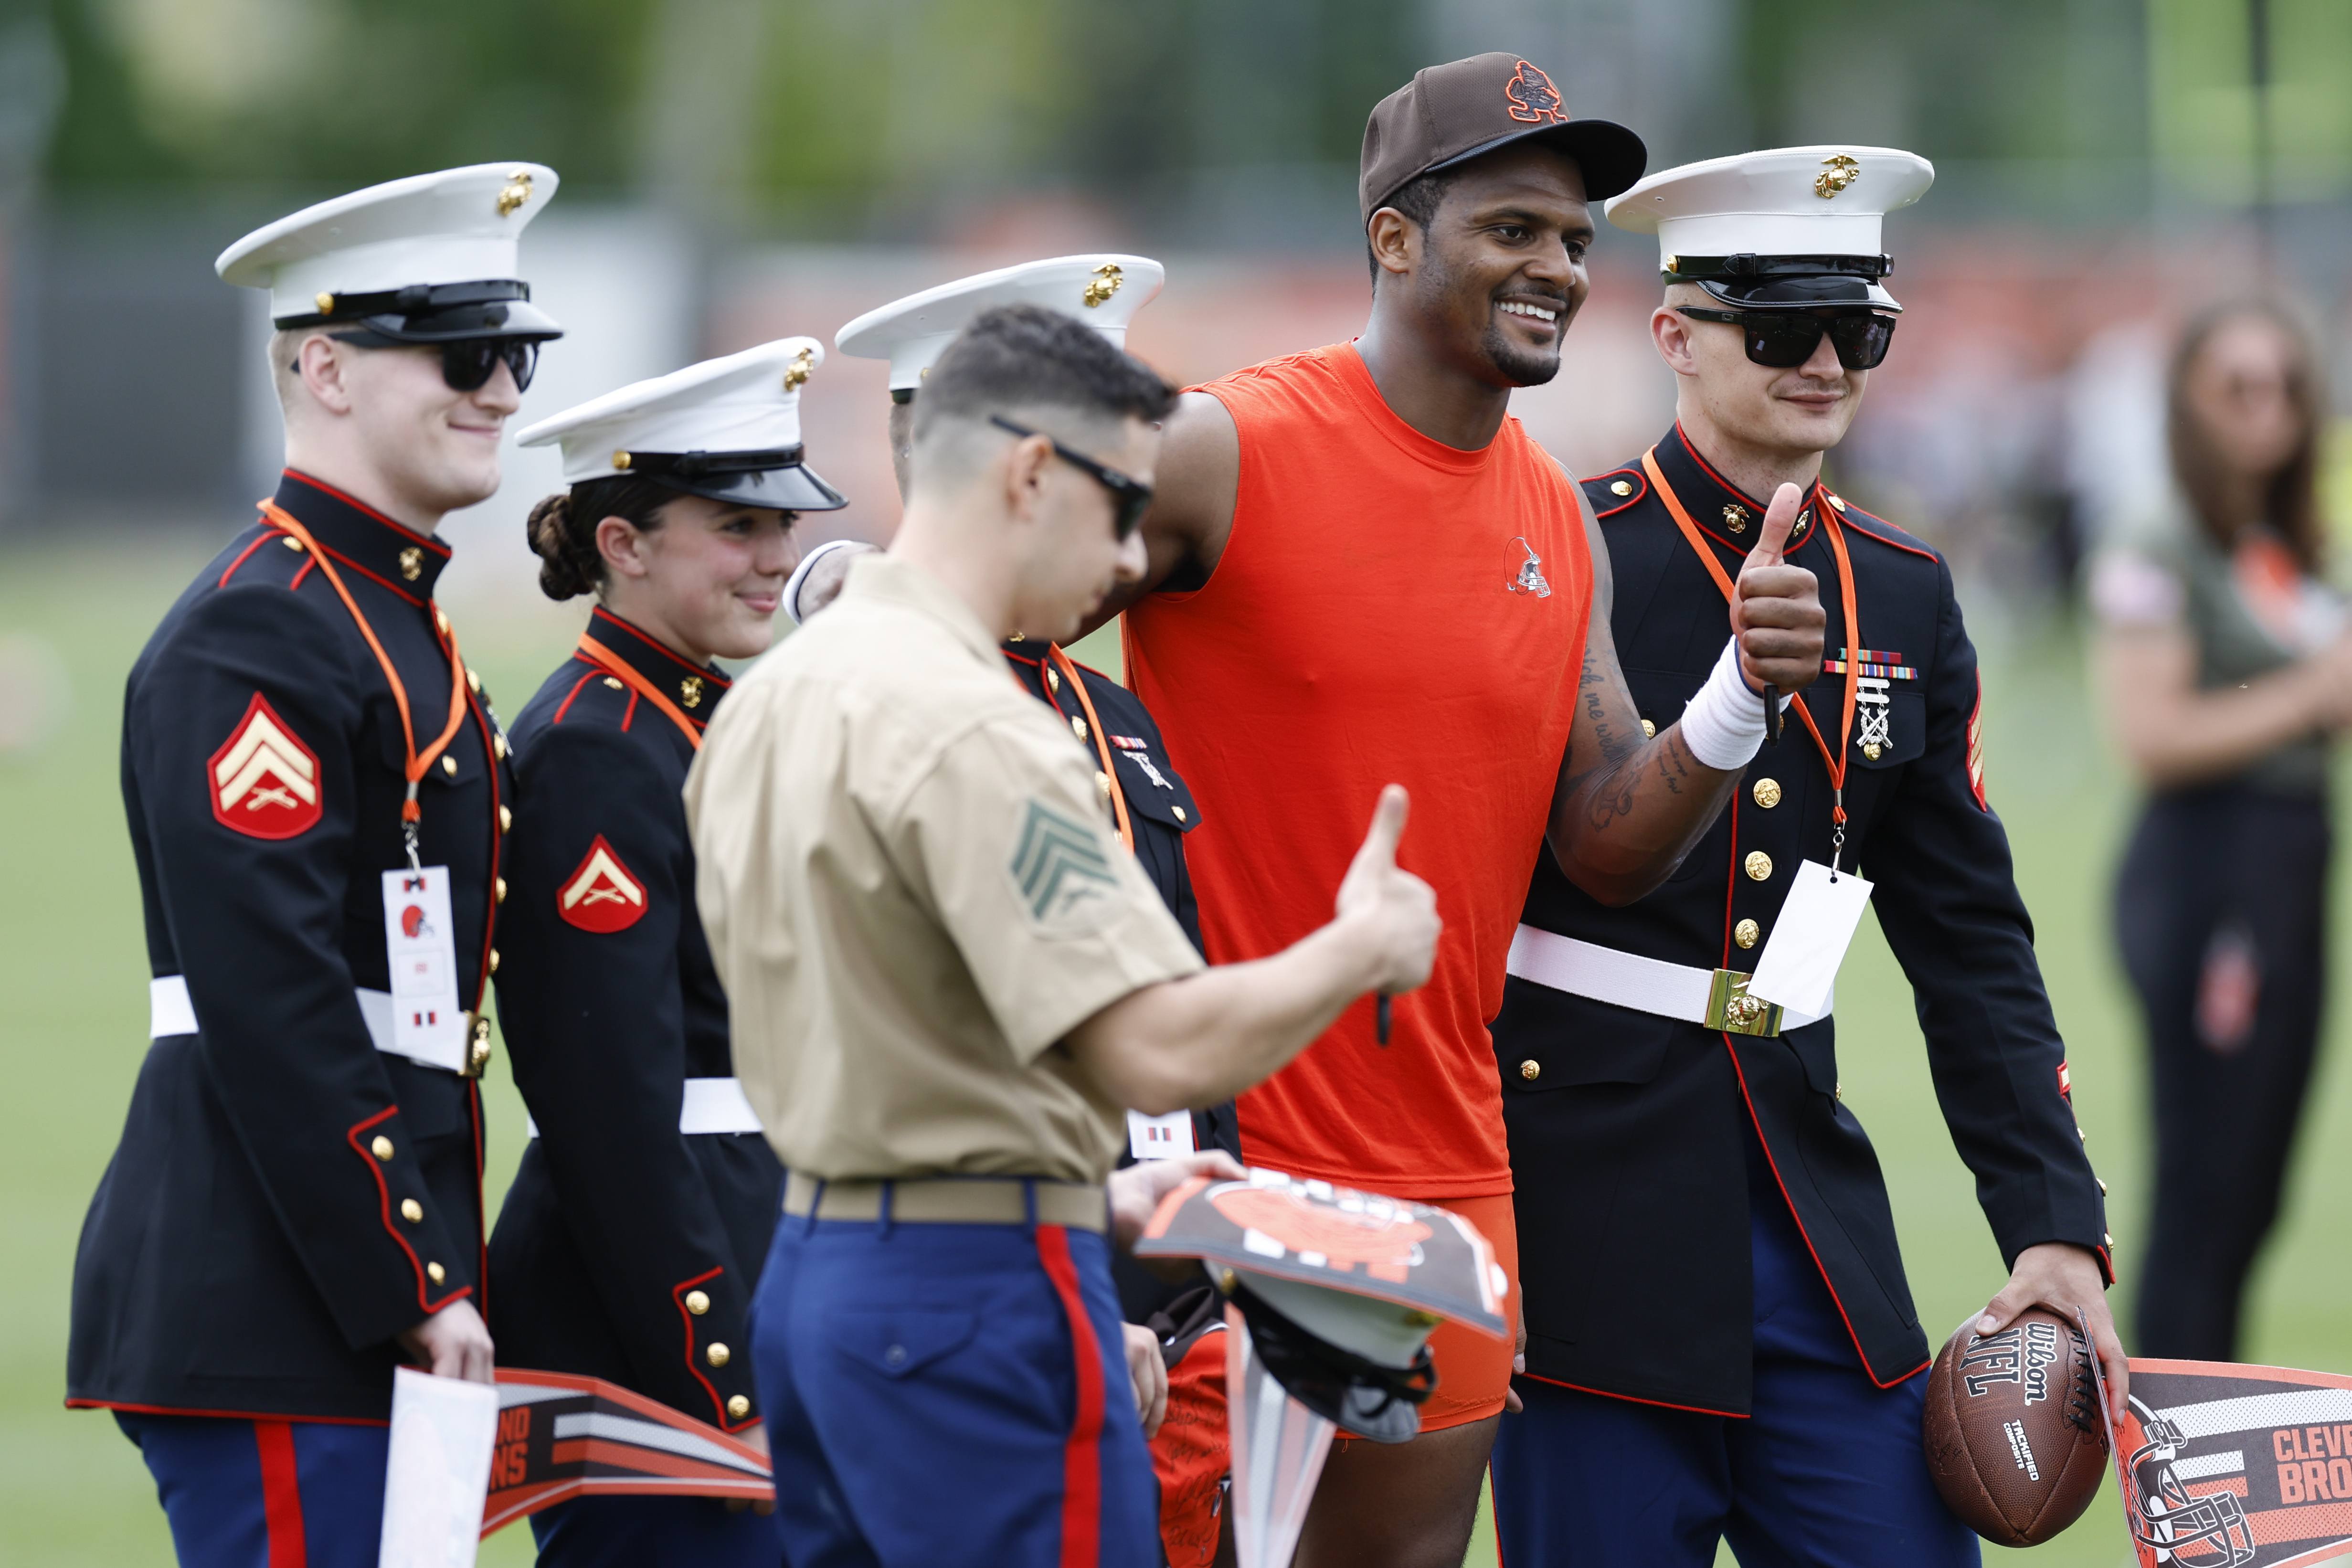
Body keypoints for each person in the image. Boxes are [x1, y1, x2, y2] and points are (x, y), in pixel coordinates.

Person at [1101, 53, 1828, 1567]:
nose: (1556, 267)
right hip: (1220, 1166)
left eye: (1573, 239)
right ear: (1391, 239)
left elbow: (1606, 842)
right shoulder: (1221, 448)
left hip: (1450, 1174)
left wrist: (1737, 703)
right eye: (1512, 229)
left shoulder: (1553, 511)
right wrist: (845, 592)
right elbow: (998, 578)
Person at [683, 303, 1442, 1568]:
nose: (1133, 554)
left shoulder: (771, 695)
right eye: (1119, 503)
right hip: (974, 1287)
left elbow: (888, 1028)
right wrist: (1359, 944)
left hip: (816, 1270)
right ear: (1032, 472)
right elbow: (1156, 1050)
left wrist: (1099, 1188)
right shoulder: (978, 724)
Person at [1482, 143, 2123, 1567]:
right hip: (1580, 1220)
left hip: (1803, 1210)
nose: (1826, 361)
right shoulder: (1556, 554)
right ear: (1672, 335)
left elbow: (1969, 945)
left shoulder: (1899, 587)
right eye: (1780, 326)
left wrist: (2050, 1224)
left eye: (1861, 329)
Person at [66, 163, 562, 1565]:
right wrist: (409, 1271)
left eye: (515, 353)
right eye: (462, 354)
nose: (505, 392)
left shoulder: (383, 614)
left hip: (353, 1284)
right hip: (287, 1285)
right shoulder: (260, 631)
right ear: (327, 368)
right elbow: (268, 993)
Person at [828, 255, 1235, 1566]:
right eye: (1107, 482)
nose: (1135, 533)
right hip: (991, 1309)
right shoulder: (875, 710)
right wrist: (1053, 1295)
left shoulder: (1100, 707)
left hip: (1166, 1313)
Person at [480, 337, 849, 1566]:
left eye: (783, 526)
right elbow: (609, 1109)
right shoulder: (595, 747)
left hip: (760, 1243)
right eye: (738, 526)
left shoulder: (699, 719)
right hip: (655, 1318)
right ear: (623, 545)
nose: (778, 561)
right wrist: (722, 1373)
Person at [2091, 300, 2352, 1361]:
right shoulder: (2158, 538)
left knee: (2255, 1196)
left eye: (2286, 386)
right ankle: (2176, 1474)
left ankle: (2221, 1465)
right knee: (2204, 1191)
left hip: (2288, 866)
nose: (2268, 413)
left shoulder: (2278, 544)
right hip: (2209, 878)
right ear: (2186, 401)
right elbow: (2150, 732)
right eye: (2238, 387)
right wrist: (2314, 693)